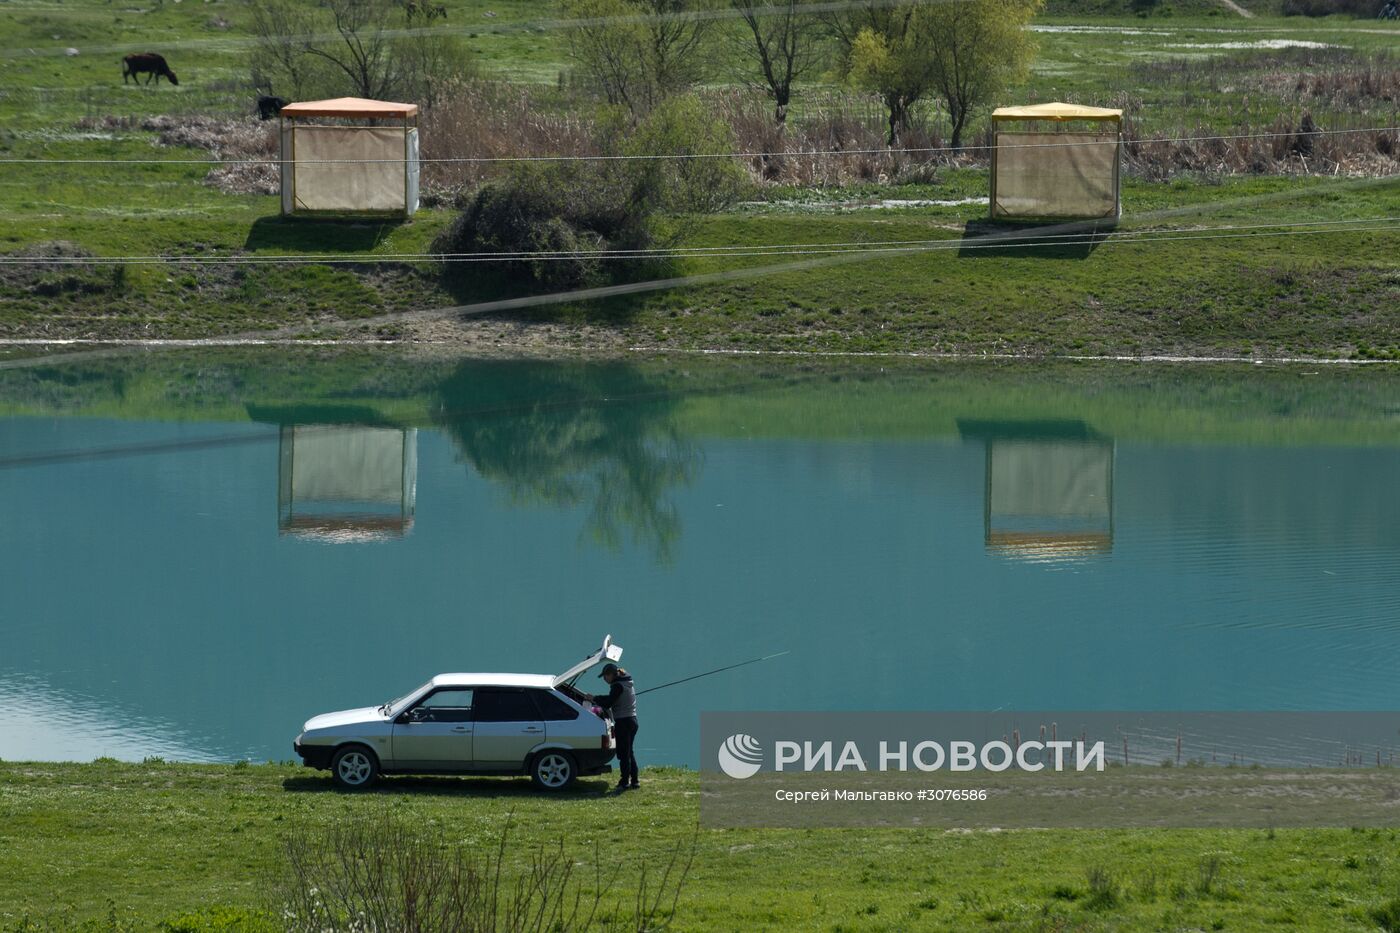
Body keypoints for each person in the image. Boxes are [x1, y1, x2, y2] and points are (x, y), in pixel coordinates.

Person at [591, 663, 639, 790]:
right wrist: (597, 698)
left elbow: (608, 703)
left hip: (623, 722)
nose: (605, 679)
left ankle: (624, 782)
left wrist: (594, 698)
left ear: (611, 674)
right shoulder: (626, 681)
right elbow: (612, 698)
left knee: (624, 754)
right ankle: (635, 781)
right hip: (632, 721)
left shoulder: (617, 686)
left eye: (605, 676)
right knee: (629, 752)